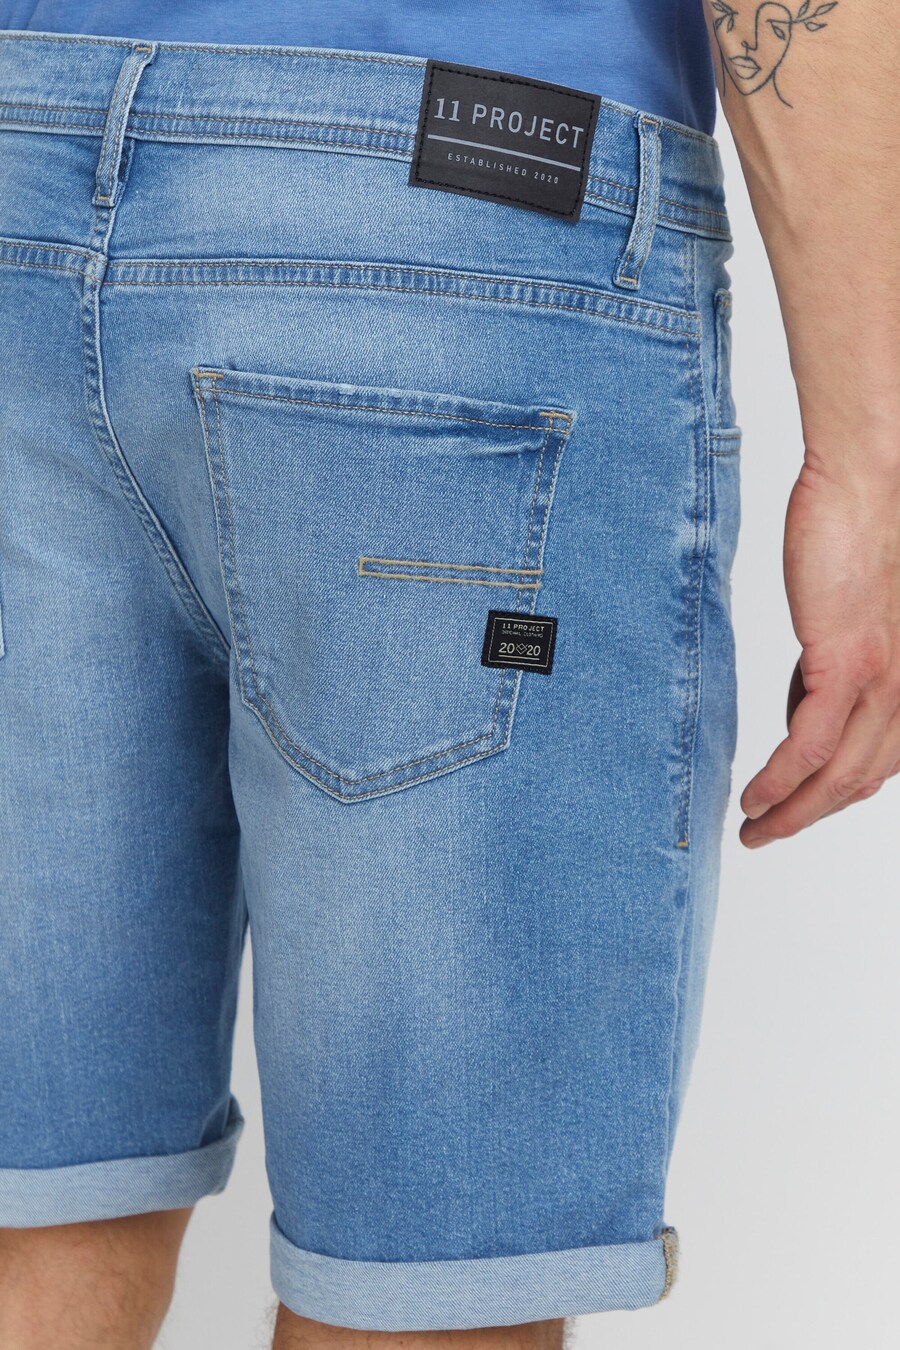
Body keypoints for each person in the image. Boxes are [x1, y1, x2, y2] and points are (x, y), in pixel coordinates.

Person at [0, 3, 896, 1348]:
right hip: (456, 214)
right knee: (427, 1285)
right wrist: (871, 461)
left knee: (31, 1210)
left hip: (20, 164)